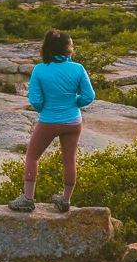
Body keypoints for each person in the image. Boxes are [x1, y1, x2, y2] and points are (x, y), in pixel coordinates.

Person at [8, 29, 95, 213]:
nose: (73, 47)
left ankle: (28, 199)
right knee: (69, 160)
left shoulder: (40, 69)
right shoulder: (78, 69)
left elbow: (36, 100)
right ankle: (65, 200)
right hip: (73, 122)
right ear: (65, 49)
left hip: (48, 120)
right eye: (71, 44)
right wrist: (75, 103)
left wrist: (46, 109)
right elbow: (89, 96)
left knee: (32, 156)